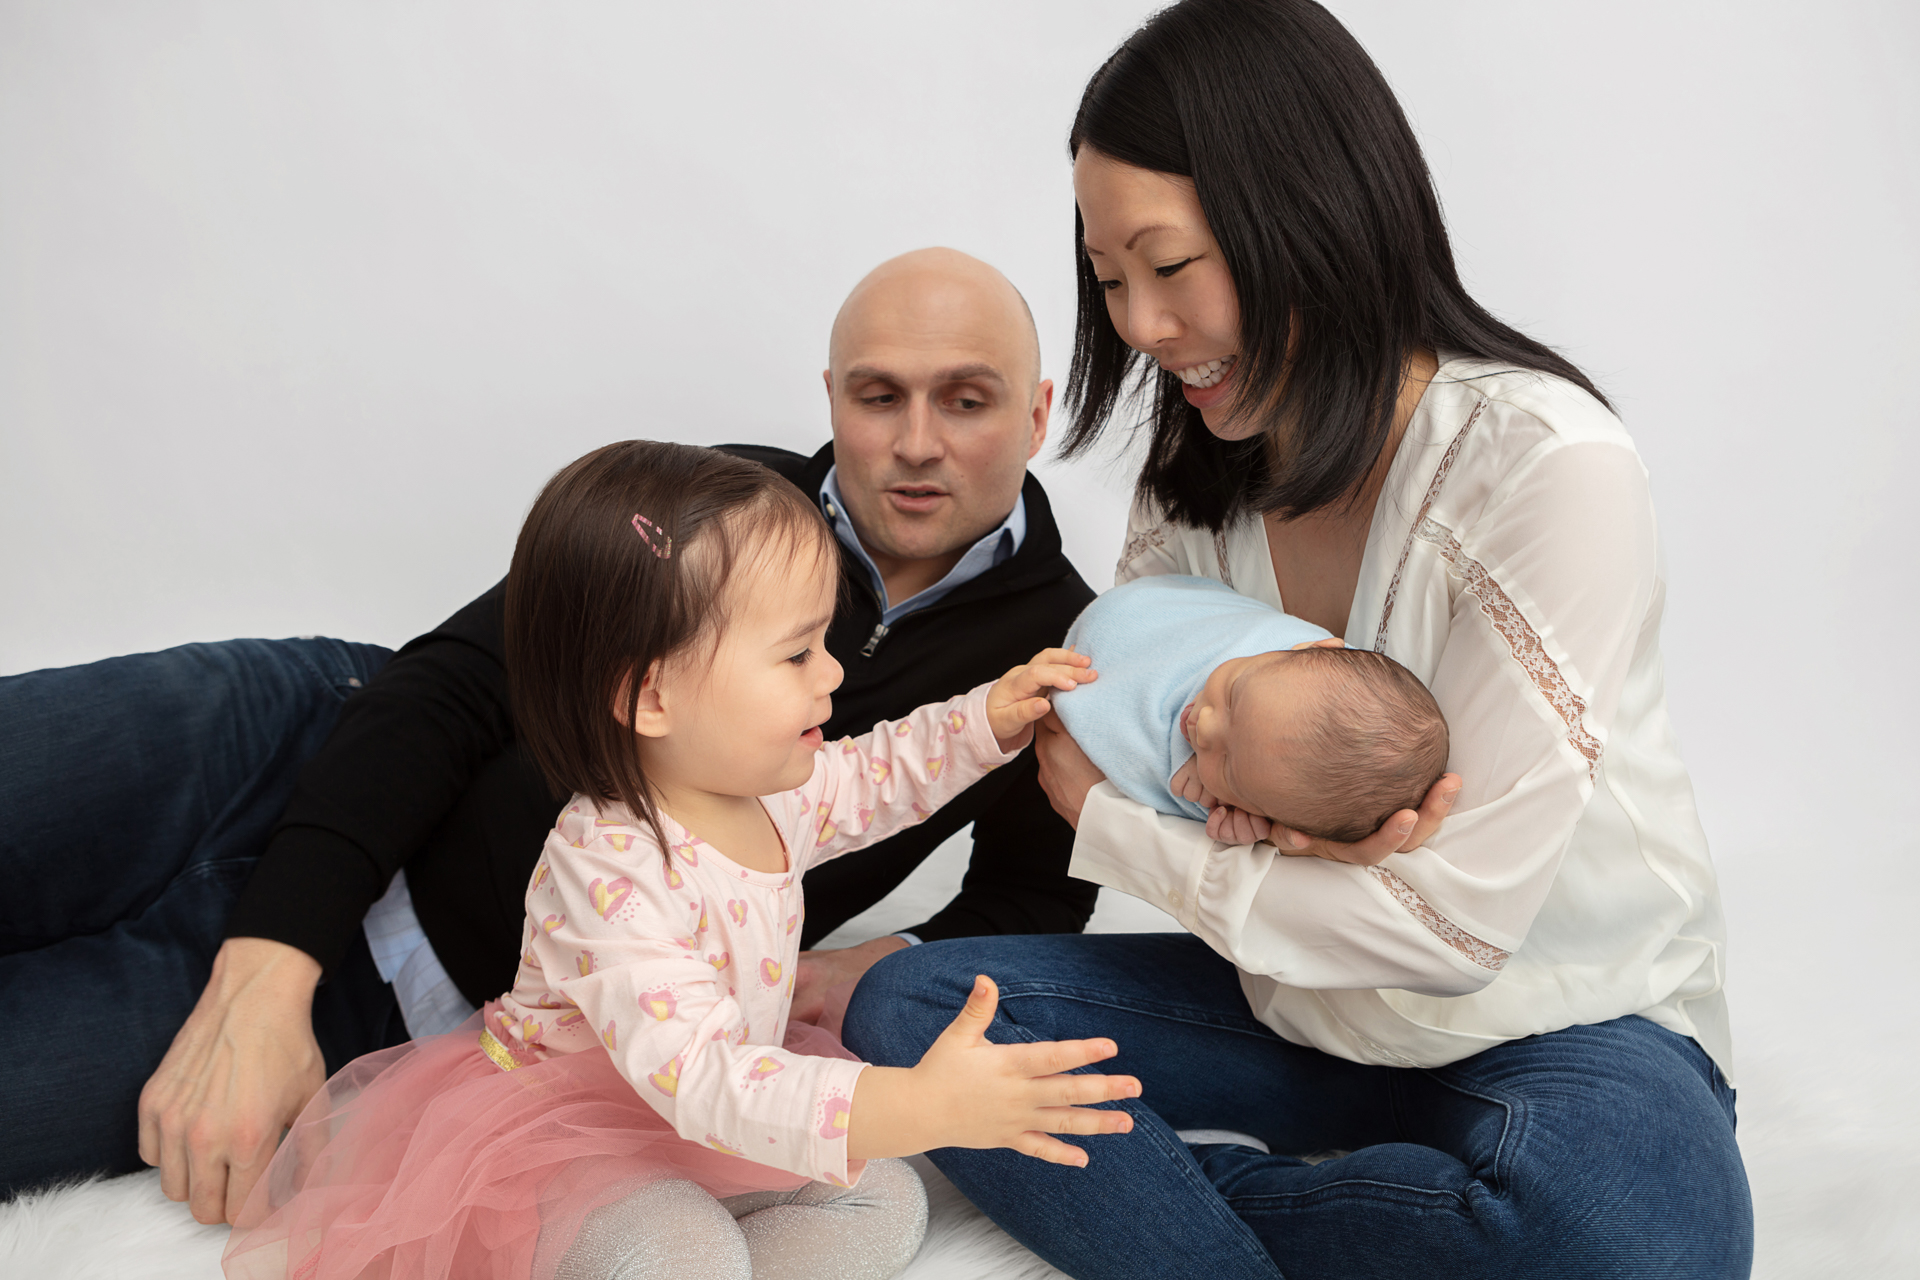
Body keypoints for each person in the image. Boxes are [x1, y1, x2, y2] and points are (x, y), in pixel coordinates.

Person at [843, 2, 1753, 1277]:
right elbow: (1090, 732)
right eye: (1110, 281)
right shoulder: (1194, 475)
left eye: (1169, 265)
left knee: (1632, 1233)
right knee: (915, 1008)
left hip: (1566, 1022)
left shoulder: (1546, 470)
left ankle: (1183, 1223)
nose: (1142, 326)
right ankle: (1356, 1224)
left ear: (1305, 214)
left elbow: (1451, 933)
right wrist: (1300, 852)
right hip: (1287, 1009)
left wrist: (1122, 827)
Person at [0, 247, 1100, 1224]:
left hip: (409, 1009)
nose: (916, 443)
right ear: (831, 394)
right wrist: (263, 974)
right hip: (300, 748)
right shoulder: (727, 497)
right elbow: (459, 682)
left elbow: (1037, 894)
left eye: (966, 400)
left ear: (1041, 411)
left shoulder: (1060, 650)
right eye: (877, 395)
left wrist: (869, 963)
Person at [222, 440, 1132, 1280]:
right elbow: (700, 1077)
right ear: (652, 696)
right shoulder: (606, 866)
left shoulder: (779, 790)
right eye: (795, 654)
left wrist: (990, 720)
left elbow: (886, 771)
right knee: (680, 1249)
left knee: (883, 1199)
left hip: (705, 1108)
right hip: (573, 1132)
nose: (834, 676)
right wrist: (920, 1102)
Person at [1051, 574, 1449, 844]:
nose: (1203, 728)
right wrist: (1217, 769)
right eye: (1234, 697)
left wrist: (1229, 816)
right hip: (1127, 622)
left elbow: (1248, 828)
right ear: (1313, 648)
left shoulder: (1267, 786)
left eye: (1227, 763)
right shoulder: (1293, 660)